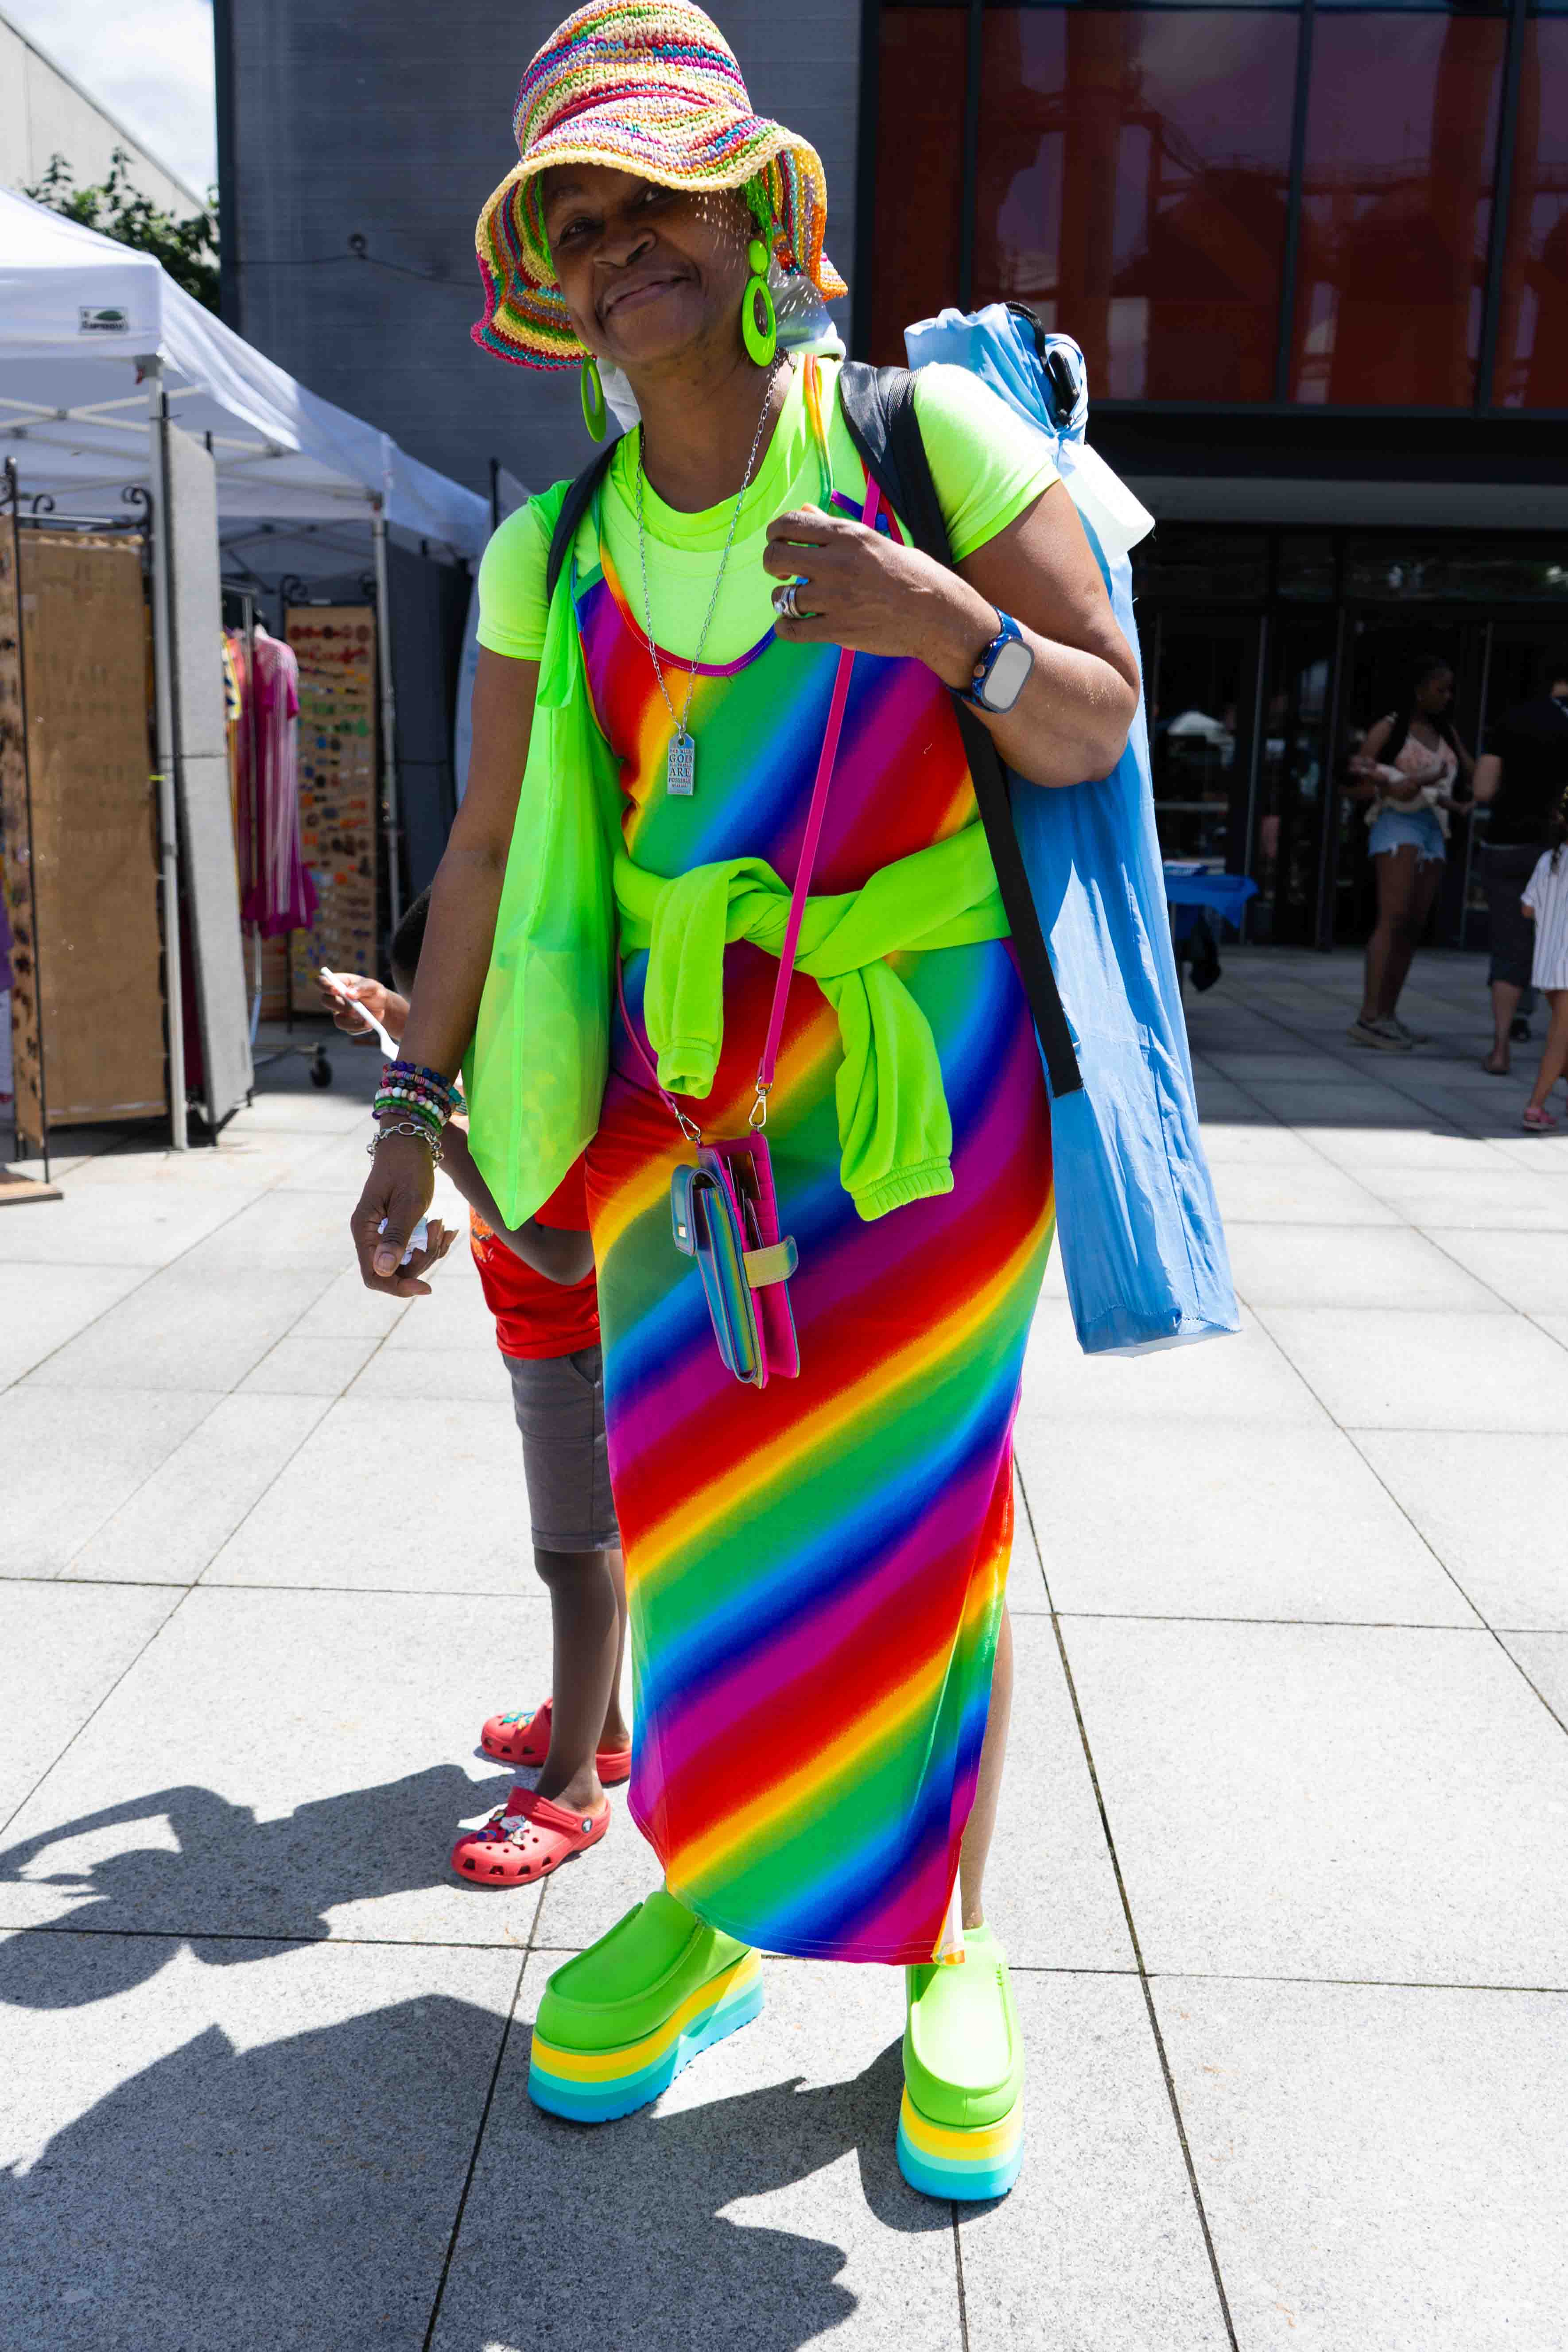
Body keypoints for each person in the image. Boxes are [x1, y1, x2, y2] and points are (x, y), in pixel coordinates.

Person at [349, 0, 1138, 2202]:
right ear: (550, 279)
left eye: (658, 202)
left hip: (924, 1097)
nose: (625, 249)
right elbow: (483, 854)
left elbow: (1094, 718)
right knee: (699, 1527)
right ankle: (709, 1895)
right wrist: (413, 1108)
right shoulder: (555, 544)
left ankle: (944, 1944)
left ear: (752, 212)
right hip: (683, 1127)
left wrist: (939, 622)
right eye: (580, 223)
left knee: (925, 1523)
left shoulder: (924, 443)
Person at [326, 891, 632, 1887]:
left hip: (573, 1347)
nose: (436, 1048)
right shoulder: (509, 1056)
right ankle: (599, 1724)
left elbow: (565, 1252)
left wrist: (435, 1135)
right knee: (590, 1544)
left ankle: (573, 1788)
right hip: (549, 1343)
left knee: (573, 1559)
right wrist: (389, 1016)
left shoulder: (548, 1089)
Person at [1346, 655, 1473, 1051]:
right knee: (1393, 917)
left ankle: (1387, 1014)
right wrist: (1387, 787)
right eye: (1440, 689)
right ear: (1419, 690)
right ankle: (1369, 1016)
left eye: (1451, 690)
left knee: (1413, 925)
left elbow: (1472, 772)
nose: (1447, 697)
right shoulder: (1389, 728)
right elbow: (1353, 783)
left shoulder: (1446, 731)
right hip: (1397, 821)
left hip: (1435, 826)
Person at [1471, 657, 1568, 1074]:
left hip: (1508, 844)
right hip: (1561, 849)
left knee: (1510, 946)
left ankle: (1500, 1049)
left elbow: (1483, 789)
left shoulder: (1514, 719)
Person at [1519, 790, 1568, 1130]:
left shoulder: (1549, 859)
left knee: (1564, 1035)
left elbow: (1527, 908)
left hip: (1549, 965)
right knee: (1559, 1040)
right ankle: (1535, 1107)